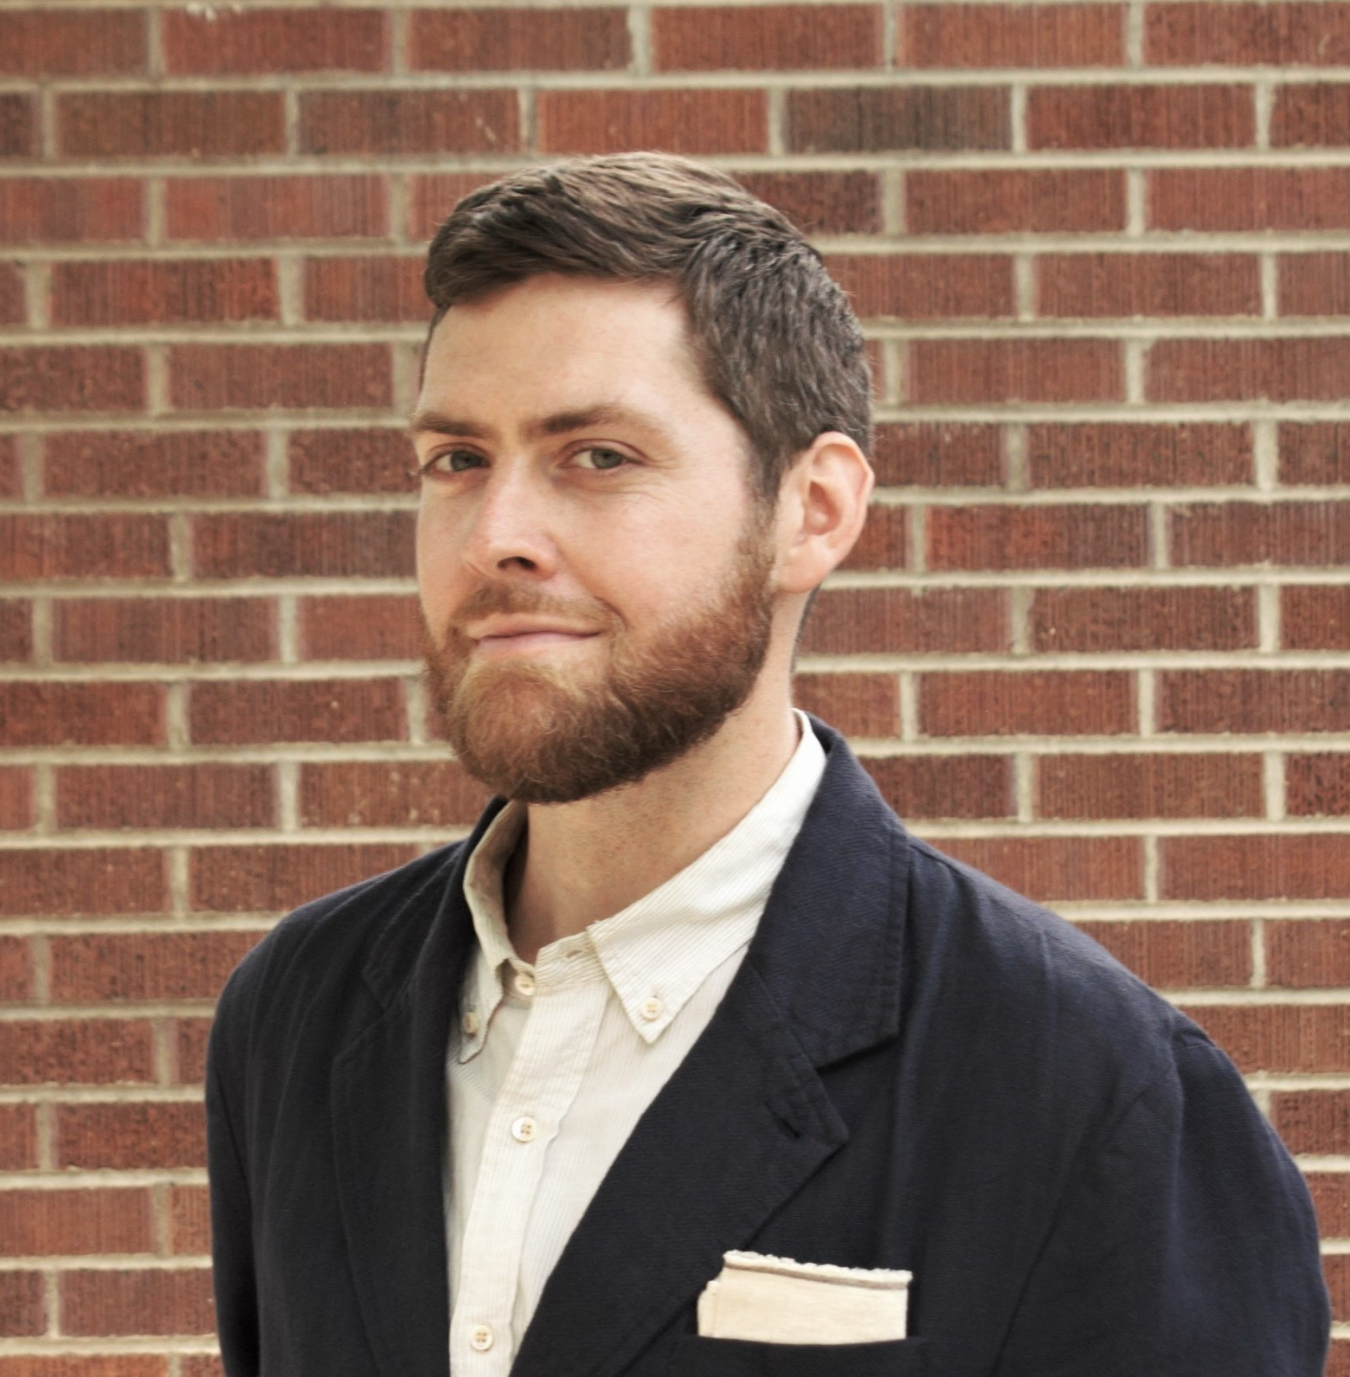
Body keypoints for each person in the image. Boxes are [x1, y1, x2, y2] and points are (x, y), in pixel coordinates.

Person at [205, 153, 1329, 1377]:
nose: (497, 537)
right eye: (457, 460)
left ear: (815, 510)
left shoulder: (1091, 1088)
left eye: (599, 457)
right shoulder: (296, 1017)